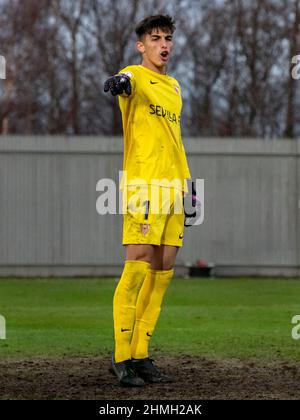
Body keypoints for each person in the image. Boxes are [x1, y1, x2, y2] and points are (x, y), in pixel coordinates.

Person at [104, 14, 191, 387]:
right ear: (142, 46)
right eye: (156, 38)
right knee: (137, 264)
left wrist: (189, 187)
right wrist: (119, 82)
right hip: (144, 188)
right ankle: (122, 357)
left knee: (163, 269)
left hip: (175, 189)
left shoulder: (174, 87)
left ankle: (141, 354)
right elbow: (123, 83)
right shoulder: (135, 77)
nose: (164, 44)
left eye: (168, 38)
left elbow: (175, 141)